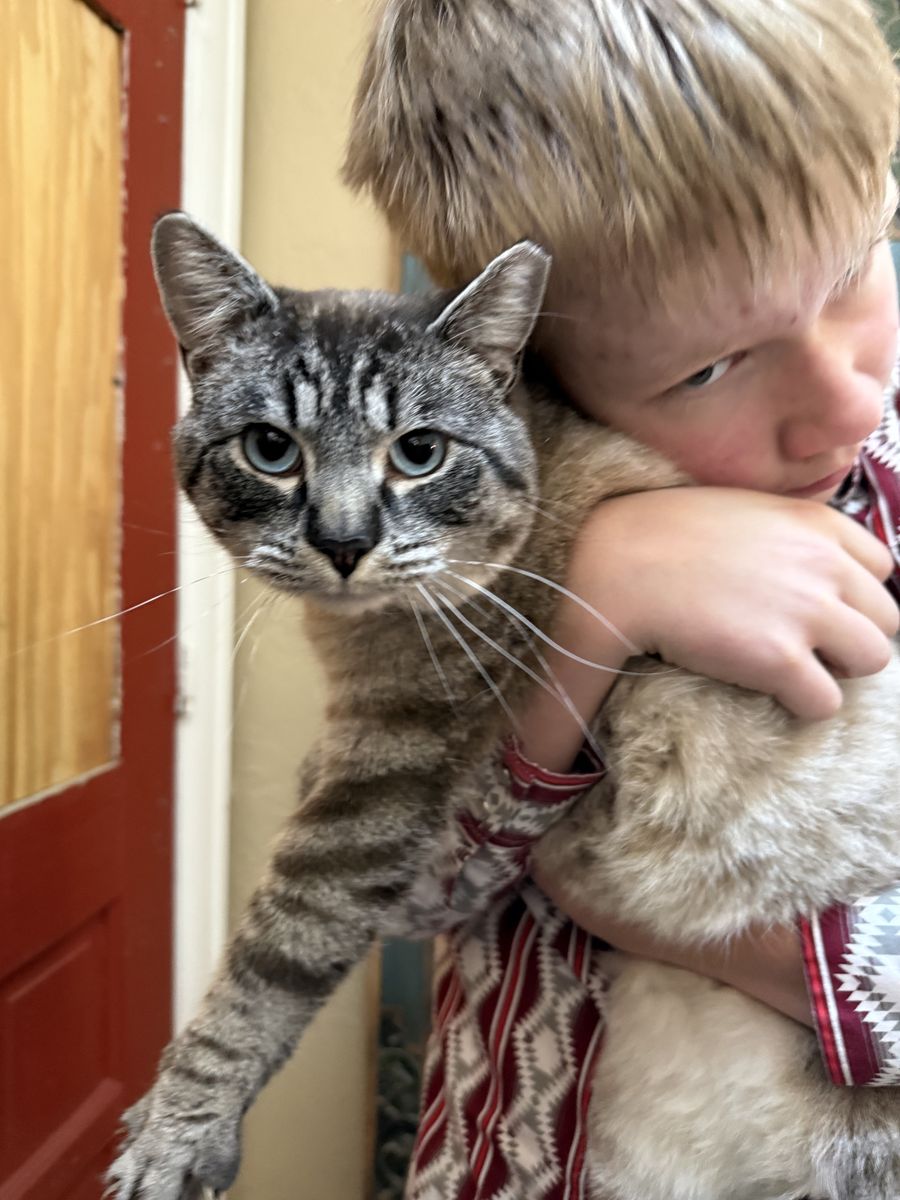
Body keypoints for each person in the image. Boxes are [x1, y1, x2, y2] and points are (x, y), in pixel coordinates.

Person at [343, 1, 900, 1195]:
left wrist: (817, 962)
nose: (846, 404)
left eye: (858, 265)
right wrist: (597, 601)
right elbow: (394, 887)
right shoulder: (464, 531)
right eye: (708, 368)